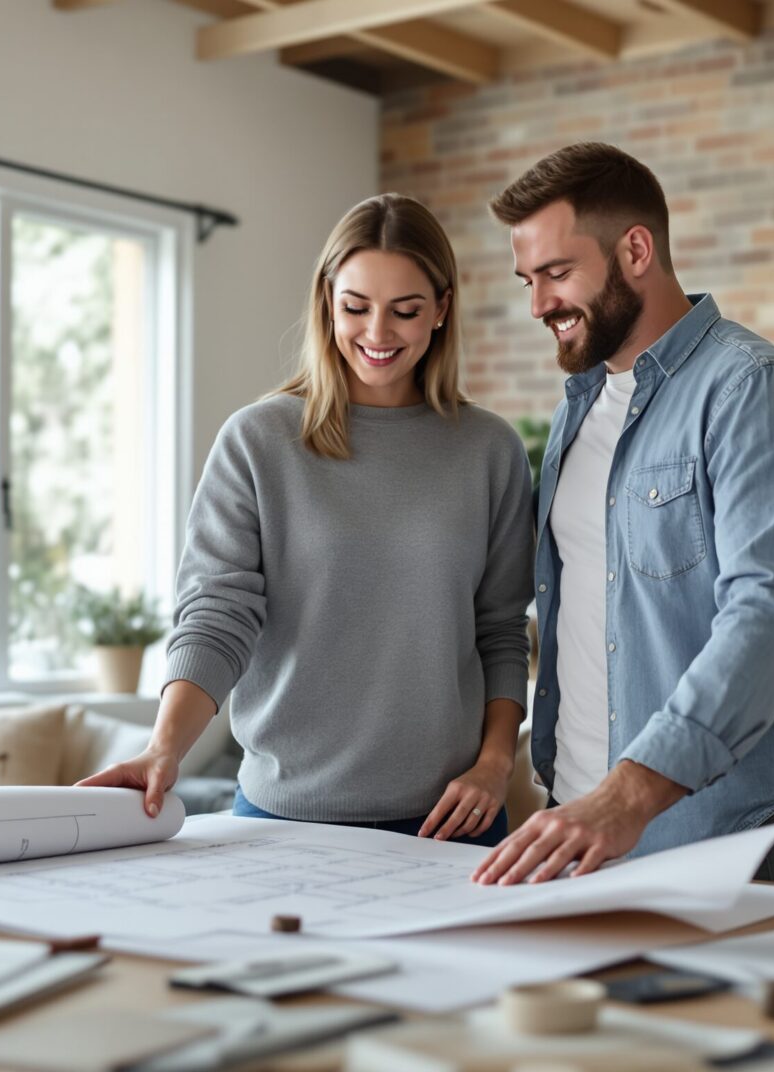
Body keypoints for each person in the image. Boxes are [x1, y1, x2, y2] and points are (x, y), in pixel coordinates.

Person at [80, 193, 535, 847]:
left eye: (405, 311)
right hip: (284, 818)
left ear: (441, 309)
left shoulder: (488, 450)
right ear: (327, 302)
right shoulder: (258, 441)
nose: (377, 334)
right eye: (356, 307)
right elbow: (217, 614)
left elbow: (500, 633)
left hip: (452, 823)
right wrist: (164, 750)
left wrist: (496, 766)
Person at [472, 142, 774, 885]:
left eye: (556, 273)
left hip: (724, 840)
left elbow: (772, 616)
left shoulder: (751, 390)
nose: (538, 303)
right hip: (578, 832)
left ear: (636, 249)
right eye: (528, 280)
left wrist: (628, 794)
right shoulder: (575, 412)